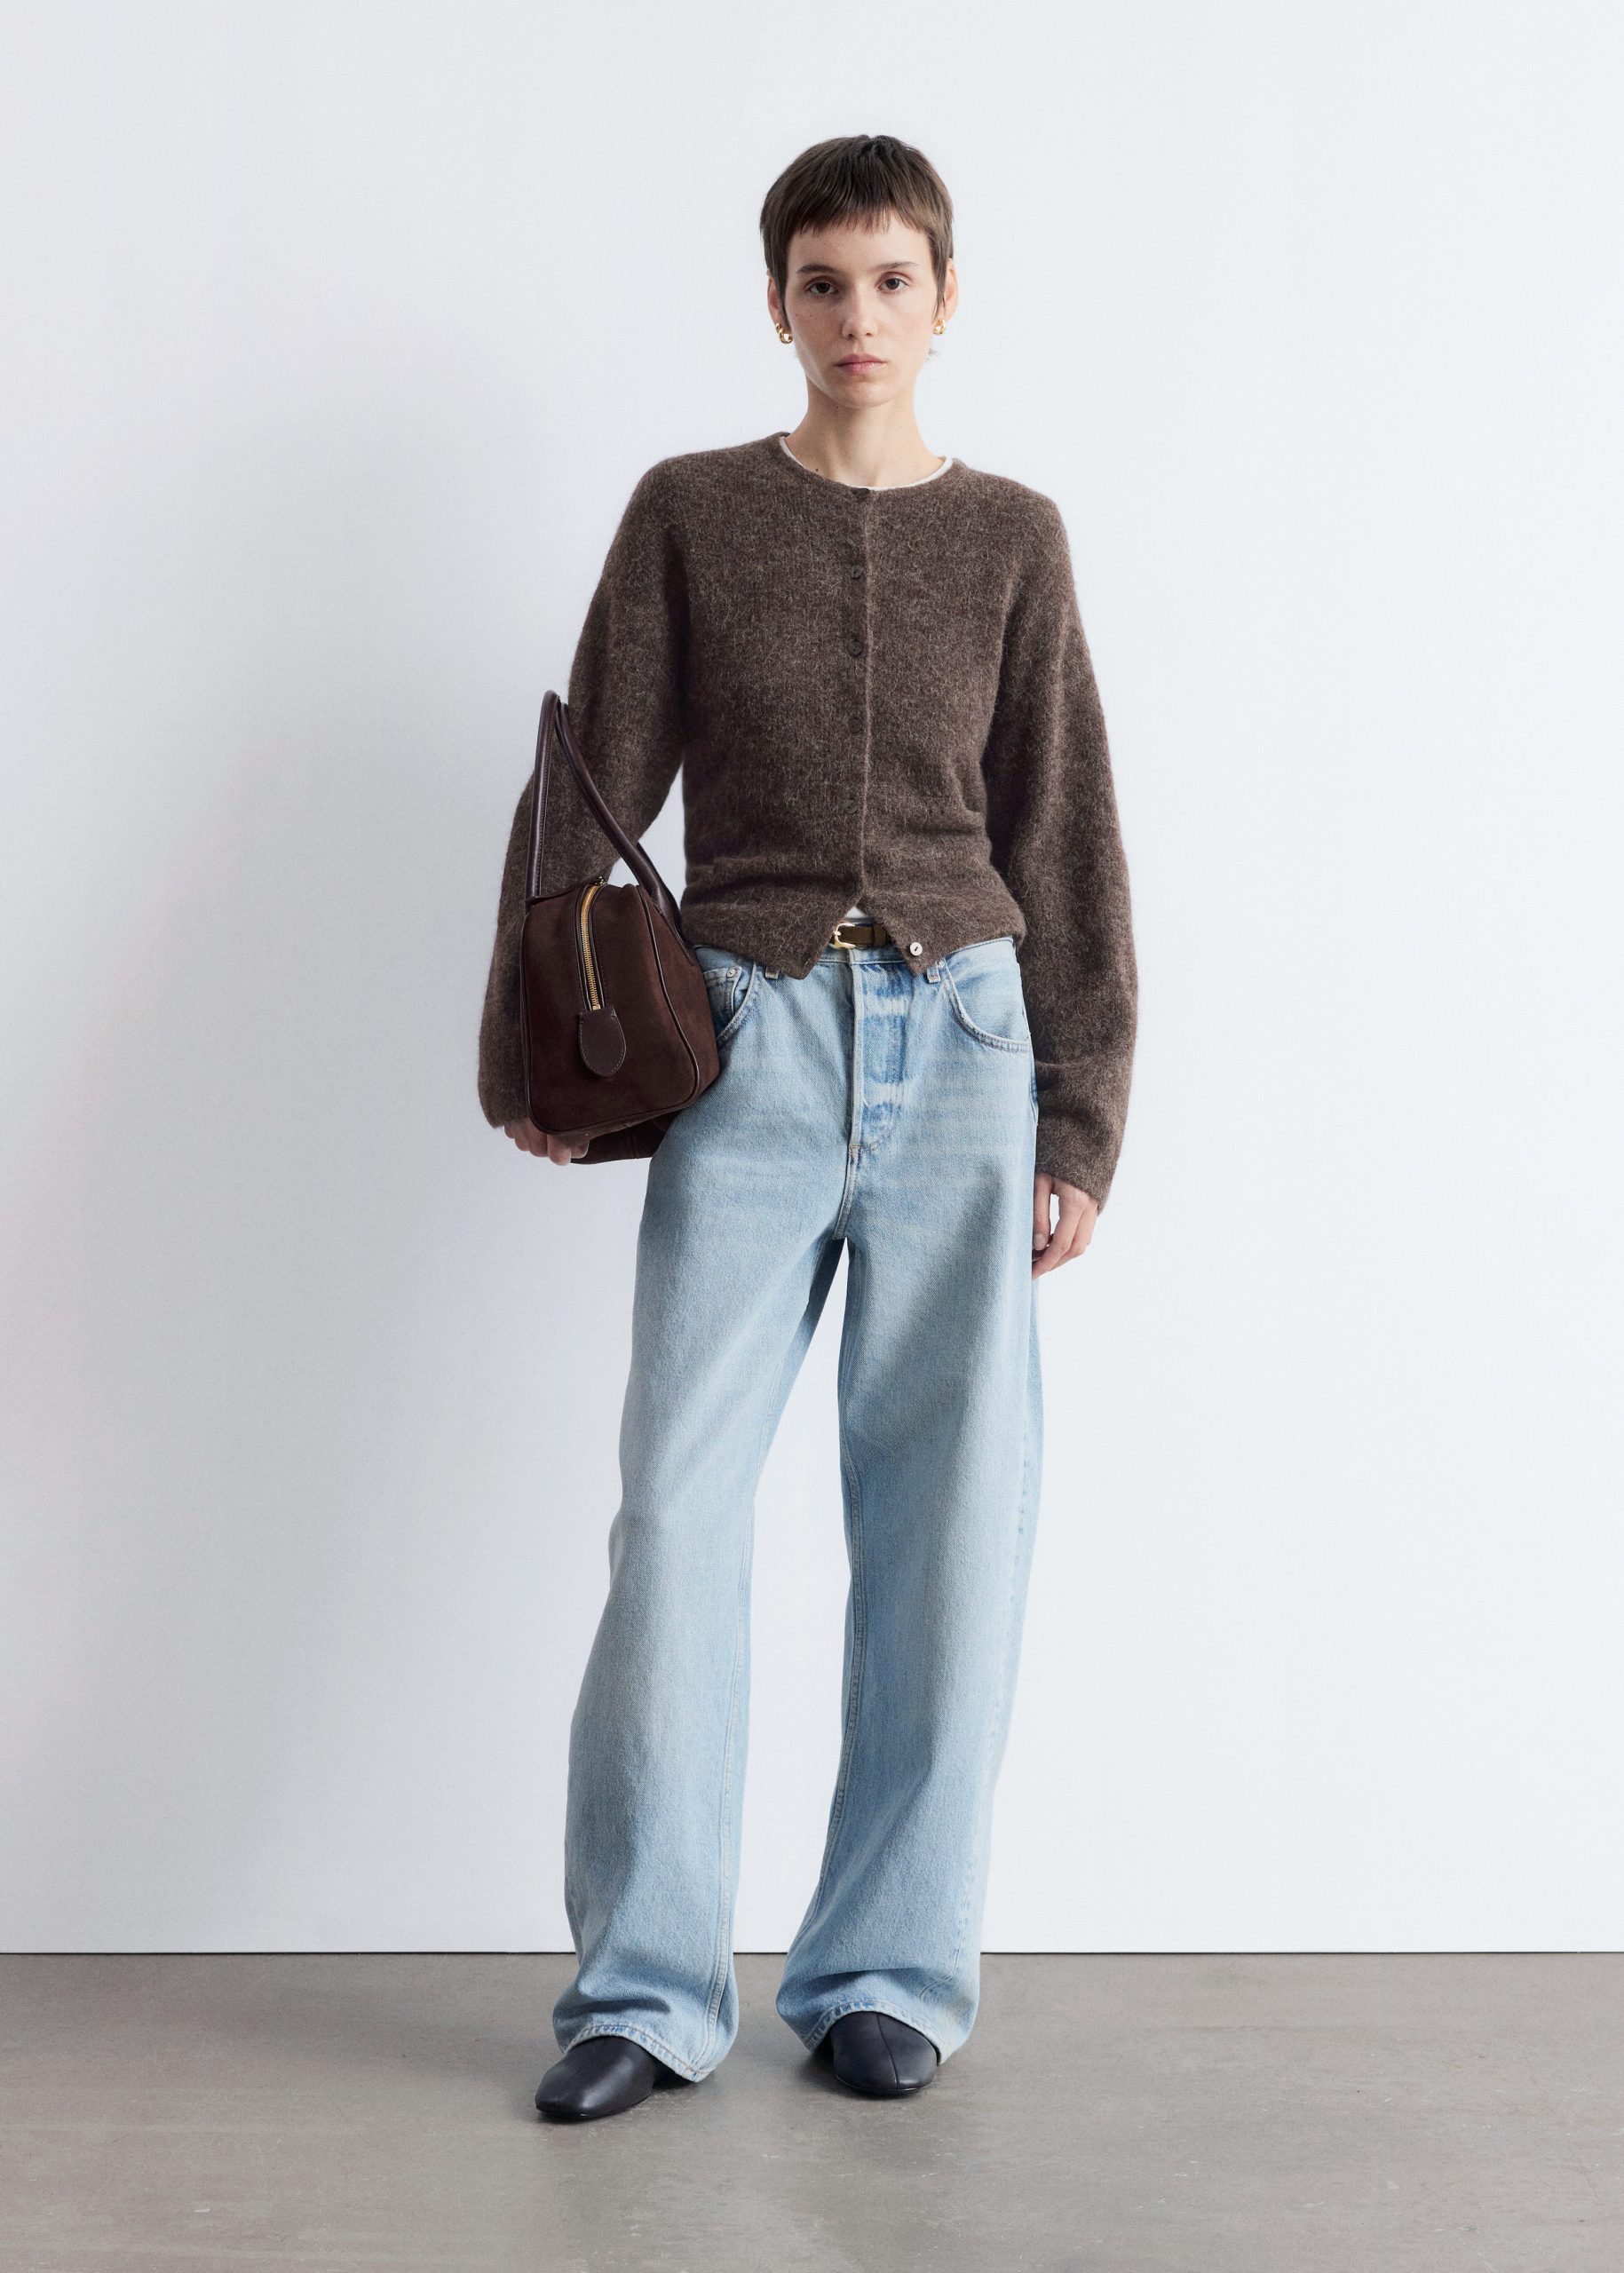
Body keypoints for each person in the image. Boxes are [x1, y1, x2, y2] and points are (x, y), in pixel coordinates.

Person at [476, 133, 1137, 2121]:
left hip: (966, 1045)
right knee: (676, 1514)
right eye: (824, 282)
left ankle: (885, 1972)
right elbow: (590, 790)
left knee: (948, 1531)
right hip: (747, 1043)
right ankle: (644, 1988)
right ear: (775, 302)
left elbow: (1062, 831)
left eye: (892, 281)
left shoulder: (1013, 537)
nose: (859, 317)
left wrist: (1081, 1112)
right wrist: (545, 1056)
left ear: (947, 300)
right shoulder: (689, 513)